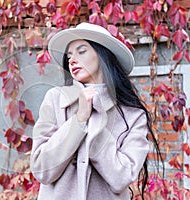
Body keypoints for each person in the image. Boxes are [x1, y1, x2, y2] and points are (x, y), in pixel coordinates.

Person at [30, 23, 161, 200]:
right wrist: (79, 120)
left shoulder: (132, 115)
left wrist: (95, 122)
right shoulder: (55, 100)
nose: (72, 60)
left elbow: (122, 178)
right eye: (69, 56)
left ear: (102, 55)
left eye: (81, 51)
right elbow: (41, 169)